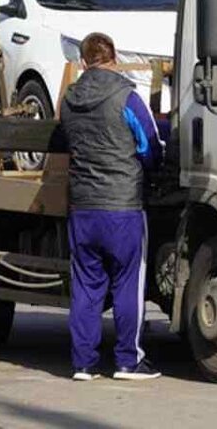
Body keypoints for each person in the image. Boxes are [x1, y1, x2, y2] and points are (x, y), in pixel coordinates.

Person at [59, 32, 163, 382]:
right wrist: (148, 168)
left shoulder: (70, 100)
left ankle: (83, 364)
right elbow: (149, 145)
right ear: (114, 57)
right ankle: (127, 361)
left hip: (83, 207)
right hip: (122, 207)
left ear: (84, 62)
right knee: (127, 283)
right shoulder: (127, 97)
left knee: (86, 286)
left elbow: (67, 139)